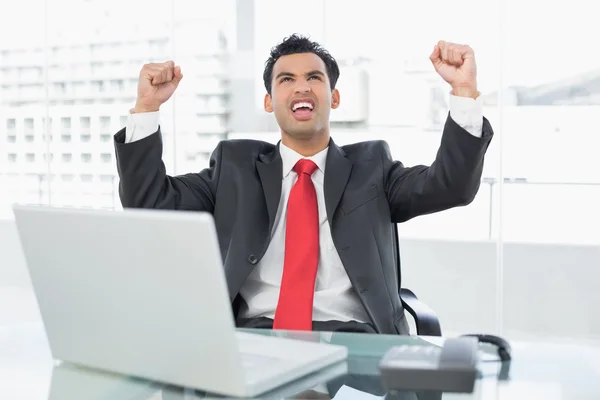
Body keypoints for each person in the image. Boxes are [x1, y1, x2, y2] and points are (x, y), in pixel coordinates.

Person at [114, 34, 493, 335]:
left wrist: (463, 92)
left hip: (353, 340)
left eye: (315, 78)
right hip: (253, 339)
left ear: (335, 97)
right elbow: (148, 200)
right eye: (287, 79)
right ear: (268, 101)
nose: (302, 88)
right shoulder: (234, 166)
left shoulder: (372, 166)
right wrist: (147, 108)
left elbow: (451, 185)